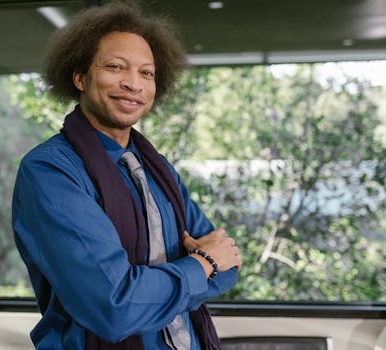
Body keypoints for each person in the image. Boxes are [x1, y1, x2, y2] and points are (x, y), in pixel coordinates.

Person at [12, 2, 242, 349]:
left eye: (147, 73)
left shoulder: (156, 169)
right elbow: (114, 307)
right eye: (115, 67)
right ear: (80, 77)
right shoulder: (50, 171)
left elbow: (229, 263)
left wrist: (177, 279)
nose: (133, 84)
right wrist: (201, 264)